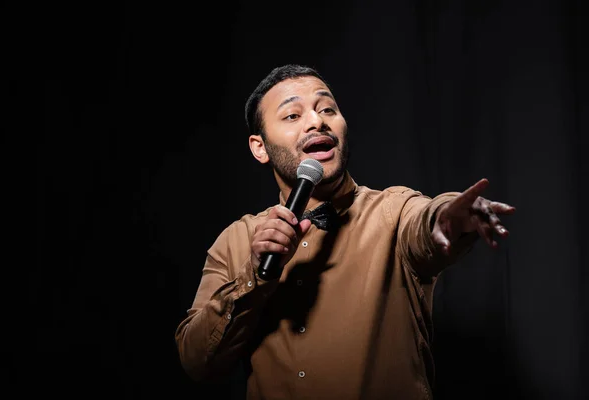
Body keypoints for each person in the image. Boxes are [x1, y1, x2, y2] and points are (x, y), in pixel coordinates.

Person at [174, 64, 516, 400]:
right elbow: (196, 362)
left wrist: (448, 216)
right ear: (259, 147)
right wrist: (254, 276)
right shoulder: (235, 240)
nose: (317, 121)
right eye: (293, 115)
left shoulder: (392, 211)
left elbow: (425, 219)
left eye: (327, 109)